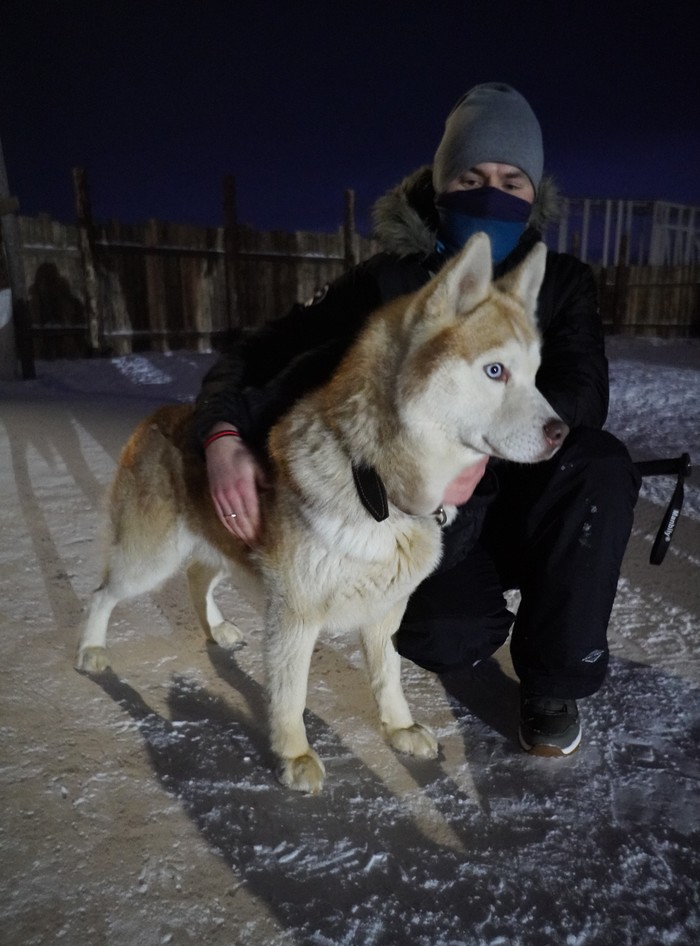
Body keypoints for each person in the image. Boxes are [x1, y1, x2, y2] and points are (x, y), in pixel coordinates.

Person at [192, 82, 641, 757]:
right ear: (441, 183)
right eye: (472, 175)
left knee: (601, 464)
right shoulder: (388, 284)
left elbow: (582, 392)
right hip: (425, 518)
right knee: (445, 635)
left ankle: (554, 678)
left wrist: (472, 446)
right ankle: (468, 614)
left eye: (511, 178)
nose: (492, 191)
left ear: (534, 192)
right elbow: (264, 354)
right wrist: (221, 433)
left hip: (523, 497)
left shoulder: (562, 282)